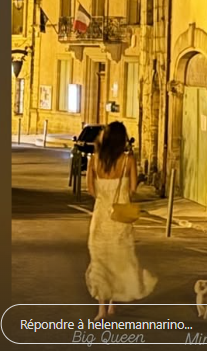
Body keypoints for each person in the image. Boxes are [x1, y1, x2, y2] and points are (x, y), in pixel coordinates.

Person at [86, 122, 157, 319]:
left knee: (100, 261)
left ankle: (101, 309)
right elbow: (133, 188)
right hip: (120, 221)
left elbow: (90, 189)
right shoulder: (128, 161)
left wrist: (104, 193)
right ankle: (112, 305)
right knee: (118, 260)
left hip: (101, 217)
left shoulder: (95, 159)